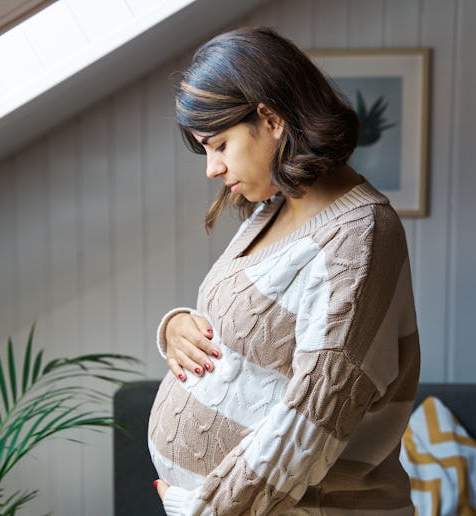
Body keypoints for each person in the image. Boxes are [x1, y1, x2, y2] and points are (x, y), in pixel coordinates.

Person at [148, 26, 420, 515]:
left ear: (270, 119)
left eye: (219, 145)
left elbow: (313, 416)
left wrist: (208, 509)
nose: (211, 168)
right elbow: (251, 331)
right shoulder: (274, 206)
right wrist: (177, 328)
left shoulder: (361, 235)